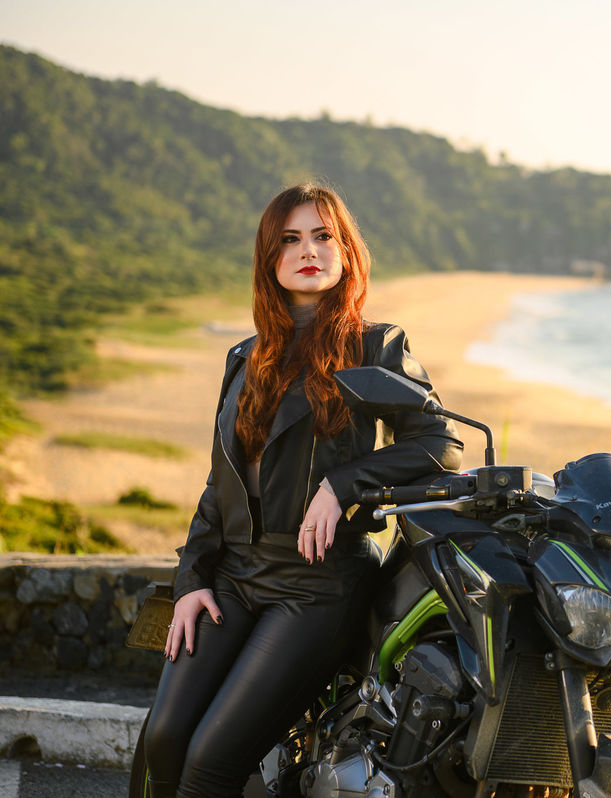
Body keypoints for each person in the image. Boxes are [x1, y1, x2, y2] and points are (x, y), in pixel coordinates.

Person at [141, 183, 464, 797]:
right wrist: (191, 582)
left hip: (317, 586)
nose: (308, 250)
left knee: (212, 758)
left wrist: (342, 485)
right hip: (234, 577)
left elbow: (441, 444)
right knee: (165, 739)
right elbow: (220, 487)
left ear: (346, 253)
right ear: (270, 256)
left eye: (323, 236)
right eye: (290, 239)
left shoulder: (375, 346)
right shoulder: (245, 357)